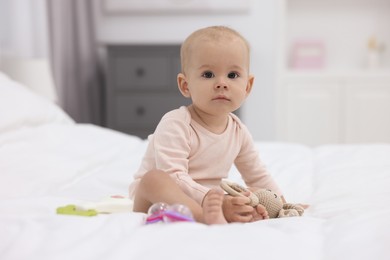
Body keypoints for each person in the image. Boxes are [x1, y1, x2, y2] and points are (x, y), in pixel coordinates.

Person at [129, 25, 284, 225]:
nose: (222, 83)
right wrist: (215, 200)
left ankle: (232, 212)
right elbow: (175, 177)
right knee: (154, 179)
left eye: (233, 75)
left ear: (247, 86)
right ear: (186, 85)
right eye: (208, 74)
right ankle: (204, 217)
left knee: (251, 193)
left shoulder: (238, 131)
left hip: (211, 199)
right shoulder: (176, 123)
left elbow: (257, 175)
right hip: (157, 199)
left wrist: (280, 203)